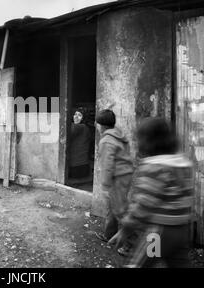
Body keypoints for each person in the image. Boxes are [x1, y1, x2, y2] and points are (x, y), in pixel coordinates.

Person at [108, 117, 194, 268]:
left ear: (145, 141)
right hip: (182, 231)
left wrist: (125, 230)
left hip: (158, 234)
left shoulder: (153, 167)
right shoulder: (184, 164)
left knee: (139, 264)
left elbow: (142, 206)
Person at [94, 109, 134, 256]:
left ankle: (131, 244)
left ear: (101, 126)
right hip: (125, 174)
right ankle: (109, 234)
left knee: (120, 210)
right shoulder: (117, 134)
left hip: (118, 177)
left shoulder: (106, 140)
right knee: (113, 205)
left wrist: (104, 186)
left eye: (98, 124)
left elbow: (107, 165)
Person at [68, 108, 92, 179]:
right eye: (75, 114)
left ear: (83, 118)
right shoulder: (85, 128)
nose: (76, 117)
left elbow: (65, 127)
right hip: (81, 166)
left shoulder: (81, 127)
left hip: (77, 167)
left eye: (79, 115)